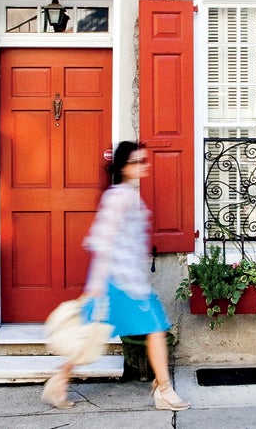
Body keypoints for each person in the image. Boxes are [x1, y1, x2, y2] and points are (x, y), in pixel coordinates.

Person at [42, 141, 190, 411]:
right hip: (119, 282)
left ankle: (59, 381)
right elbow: (102, 240)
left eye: (143, 161)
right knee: (155, 328)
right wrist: (96, 286)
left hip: (126, 279)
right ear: (123, 167)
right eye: (136, 162)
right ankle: (165, 390)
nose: (143, 166)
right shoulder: (118, 197)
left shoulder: (126, 195)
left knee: (90, 331)